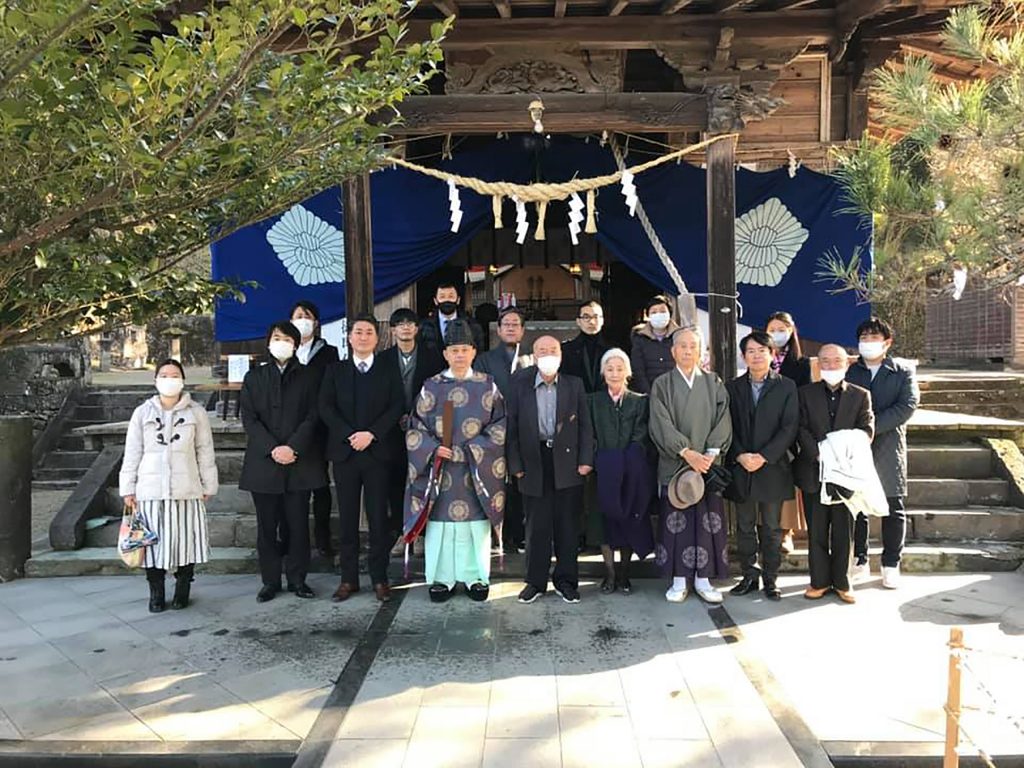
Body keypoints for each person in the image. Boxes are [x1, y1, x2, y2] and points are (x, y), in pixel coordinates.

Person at [403, 320, 507, 603]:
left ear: (473, 352)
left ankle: (476, 578)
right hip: (441, 469)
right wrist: (433, 448)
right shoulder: (431, 386)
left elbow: (500, 426)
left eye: (464, 349)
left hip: (476, 469)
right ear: (446, 354)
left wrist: (473, 449)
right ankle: (441, 579)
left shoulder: (488, 386)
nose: (459, 355)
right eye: (454, 350)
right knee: (442, 527)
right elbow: (416, 427)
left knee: (475, 526)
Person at [120, 360, 218, 613]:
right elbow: (132, 452)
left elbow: (204, 450)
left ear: (183, 380)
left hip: (187, 487)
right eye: (164, 375)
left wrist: (208, 484)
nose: (169, 379)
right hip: (150, 490)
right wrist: (128, 488)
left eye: (174, 375)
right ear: (155, 380)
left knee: (186, 542)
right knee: (152, 546)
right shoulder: (142, 413)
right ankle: (156, 592)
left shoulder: (196, 412)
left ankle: (183, 588)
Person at [319, 314, 404, 604]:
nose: (364, 336)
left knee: (379, 518)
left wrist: (372, 434)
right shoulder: (335, 370)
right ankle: (348, 579)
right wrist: (350, 435)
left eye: (369, 332)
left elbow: (397, 406)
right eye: (358, 332)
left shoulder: (388, 369)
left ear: (377, 338)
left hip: (378, 453)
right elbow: (326, 408)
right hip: (345, 454)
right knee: (347, 519)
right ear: (349, 337)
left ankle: (379, 578)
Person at [239, 322, 325, 602]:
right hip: (264, 463)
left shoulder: (311, 376)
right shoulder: (254, 378)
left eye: (288, 338)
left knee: (299, 525)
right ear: (268, 342)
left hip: (299, 461)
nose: (282, 342)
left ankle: (298, 579)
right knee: (267, 527)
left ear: (297, 344)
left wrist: (292, 447)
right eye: (277, 337)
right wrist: (273, 448)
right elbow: (250, 419)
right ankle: (270, 580)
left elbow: (313, 416)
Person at [507, 336, 594, 604]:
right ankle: (535, 582)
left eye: (553, 350)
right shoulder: (519, 384)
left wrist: (585, 459)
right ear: (534, 355)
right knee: (536, 526)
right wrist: (516, 466)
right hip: (534, 462)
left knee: (567, 526)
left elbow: (585, 426)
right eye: (542, 350)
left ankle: (566, 581)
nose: (548, 355)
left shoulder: (573, 384)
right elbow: (511, 428)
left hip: (567, 462)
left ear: (560, 355)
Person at [649, 327, 732, 604]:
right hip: (676, 464)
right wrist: (685, 452)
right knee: (677, 523)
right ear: (672, 351)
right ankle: (679, 579)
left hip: (707, 465)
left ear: (700, 352)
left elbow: (723, 419)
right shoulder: (662, 384)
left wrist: (707, 455)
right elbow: (660, 422)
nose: (687, 350)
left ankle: (704, 579)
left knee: (707, 522)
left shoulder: (713, 382)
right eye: (681, 346)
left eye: (692, 346)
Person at [794, 343, 874, 604]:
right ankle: (818, 581)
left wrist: (843, 452)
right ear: (818, 365)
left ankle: (842, 581)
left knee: (843, 529)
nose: (830, 366)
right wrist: (819, 453)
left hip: (846, 473)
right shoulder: (804, 393)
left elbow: (866, 429)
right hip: (814, 470)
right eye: (824, 361)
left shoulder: (861, 395)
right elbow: (800, 428)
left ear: (847, 363)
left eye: (836, 361)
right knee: (817, 530)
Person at [725, 331, 799, 602]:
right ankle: (748, 575)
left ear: (772, 354)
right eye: (751, 351)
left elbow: (789, 427)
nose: (756, 356)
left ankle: (771, 578)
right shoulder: (733, 387)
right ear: (743, 357)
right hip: (741, 465)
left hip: (773, 466)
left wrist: (764, 456)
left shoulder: (786, 386)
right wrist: (741, 455)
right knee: (744, 526)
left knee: (770, 527)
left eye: (762, 350)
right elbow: (726, 426)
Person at [846, 316, 920, 589]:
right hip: (856, 445)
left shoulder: (901, 371)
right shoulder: (852, 371)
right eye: (863, 337)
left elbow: (907, 406)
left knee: (893, 506)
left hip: (889, 445)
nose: (868, 342)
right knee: (859, 506)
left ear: (887, 342)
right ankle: (861, 560)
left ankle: (890, 562)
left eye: (873, 337)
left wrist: (872, 427)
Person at [588, 348, 655, 595]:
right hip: (602, 472)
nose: (615, 373)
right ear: (603, 372)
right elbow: (589, 435)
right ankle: (610, 574)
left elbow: (642, 434)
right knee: (604, 523)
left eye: (619, 368)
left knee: (629, 520)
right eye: (610, 368)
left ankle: (624, 574)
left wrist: (627, 460)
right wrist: (601, 459)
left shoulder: (640, 401)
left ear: (628, 372)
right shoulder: (592, 401)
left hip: (632, 471)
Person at [378, 308, 444, 545]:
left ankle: (424, 533)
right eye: (400, 324)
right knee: (395, 481)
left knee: (423, 479)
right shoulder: (382, 359)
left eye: (410, 323)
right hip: (391, 429)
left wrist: (418, 418)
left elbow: (438, 393)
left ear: (417, 329)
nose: (405, 327)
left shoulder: (432, 356)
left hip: (424, 429)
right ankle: (400, 532)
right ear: (392, 329)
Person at [475, 305, 532, 553]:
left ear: (522, 331)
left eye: (515, 324)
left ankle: (519, 534)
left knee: (522, 483)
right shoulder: (485, 359)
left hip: (526, 429)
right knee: (494, 481)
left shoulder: (532, 358)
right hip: (494, 429)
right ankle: (496, 533)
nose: (510, 328)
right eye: (506, 324)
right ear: (498, 330)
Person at [289, 300, 340, 558]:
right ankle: (290, 540)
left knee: (320, 486)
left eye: (307, 316)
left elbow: (332, 388)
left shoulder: (329, 353)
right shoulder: (283, 352)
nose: (302, 320)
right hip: (288, 429)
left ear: (316, 322)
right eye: (298, 316)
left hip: (319, 428)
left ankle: (323, 539)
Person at [765, 311, 811, 554]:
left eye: (781, 329)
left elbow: (804, 397)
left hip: (790, 428)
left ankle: (786, 531)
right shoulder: (760, 359)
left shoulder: (801, 364)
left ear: (791, 331)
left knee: (789, 480)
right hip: (763, 427)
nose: (777, 334)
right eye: (772, 330)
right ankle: (766, 528)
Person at [629, 295, 681, 394]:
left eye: (662, 311)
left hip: (676, 394)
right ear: (648, 315)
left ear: (669, 313)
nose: (658, 314)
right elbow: (638, 370)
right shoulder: (640, 338)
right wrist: (649, 394)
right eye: (654, 312)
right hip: (649, 394)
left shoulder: (679, 336)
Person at [418, 282, 485, 358]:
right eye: (442, 297)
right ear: (435, 301)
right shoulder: (423, 326)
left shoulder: (472, 325)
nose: (447, 300)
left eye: (451, 296)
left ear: (458, 300)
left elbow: (479, 355)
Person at [561, 300, 611, 394]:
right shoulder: (566, 350)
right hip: (576, 401)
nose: (591, 322)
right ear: (578, 321)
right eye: (586, 317)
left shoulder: (611, 350)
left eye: (596, 317)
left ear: (602, 320)